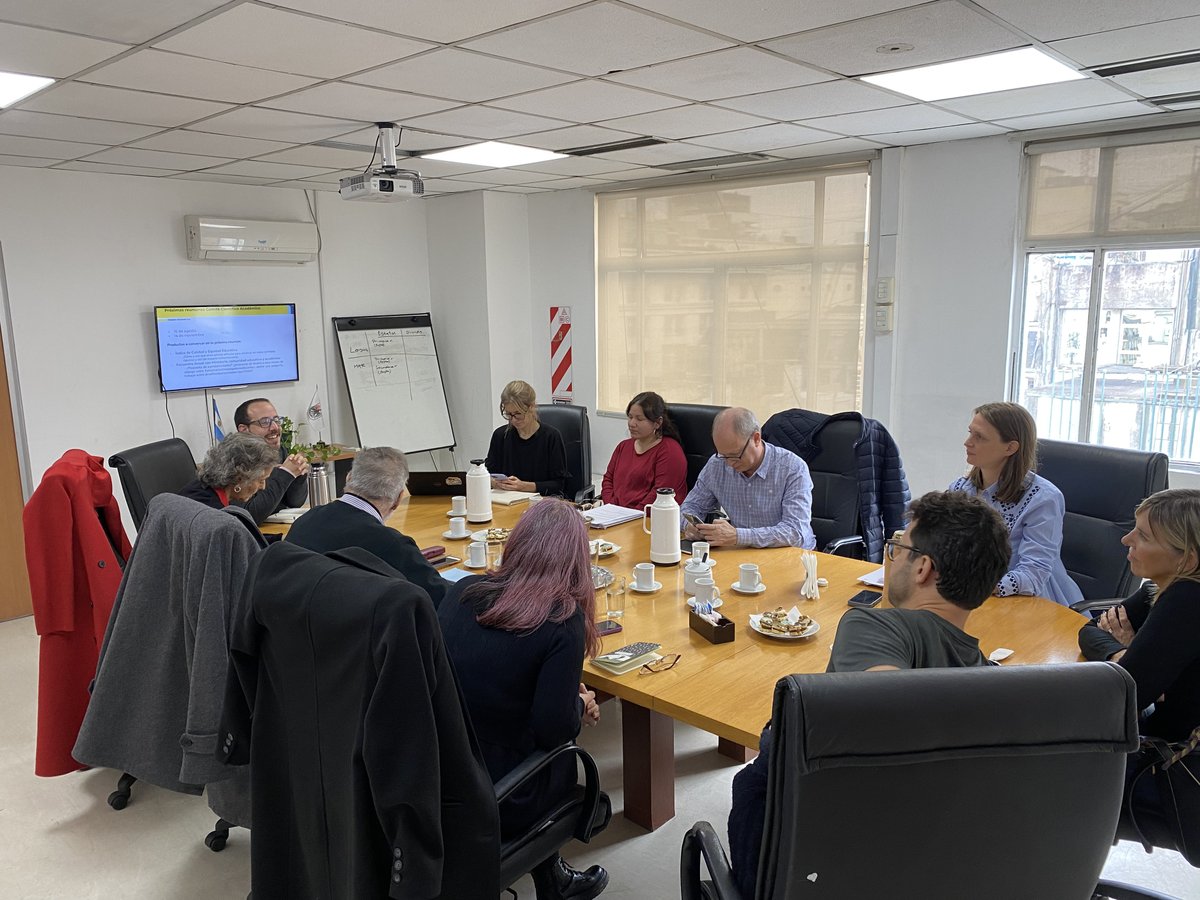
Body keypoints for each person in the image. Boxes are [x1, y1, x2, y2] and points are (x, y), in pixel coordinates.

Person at [728, 490, 1012, 897]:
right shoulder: (990, 675)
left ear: (923, 569)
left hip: (825, 854)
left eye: (898, 547)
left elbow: (890, 714)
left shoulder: (872, 627)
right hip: (922, 861)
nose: (890, 557)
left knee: (755, 776)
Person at [437, 499, 607, 900]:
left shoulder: (463, 591)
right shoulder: (561, 622)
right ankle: (554, 876)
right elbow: (553, 732)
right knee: (566, 763)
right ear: (576, 559)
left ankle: (553, 878)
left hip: (440, 765)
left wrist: (565, 697)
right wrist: (579, 706)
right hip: (505, 792)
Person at [1079, 489, 1200, 855]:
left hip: (1178, 770)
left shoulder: (1187, 600)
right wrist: (1123, 650)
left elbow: (1124, 695)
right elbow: (1090, 628)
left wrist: (1132, 665)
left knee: (1044, 770)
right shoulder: (1161, 589)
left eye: (1143, 536)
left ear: (1186, 558)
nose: (1126, 539)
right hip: (1167, 740)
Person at [947, 401, 1082, 606]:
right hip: (972, 597)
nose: (968, 442)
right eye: (970, 432)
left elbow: (1034, 574)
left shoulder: (1043, 499)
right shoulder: (960, 488)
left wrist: (975, 586)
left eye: (979, 437)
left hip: (1028, 603)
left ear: (1010, 447)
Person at [284, 446, 446, 607]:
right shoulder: (392, 544)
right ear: (398, 499)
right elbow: (445, 600)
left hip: (294, 624)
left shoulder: (305, 521)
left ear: (348, 478)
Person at [678, 406, 815, 549]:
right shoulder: (717, 464)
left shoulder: (792, 468)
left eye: (735, 455)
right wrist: (689, 526)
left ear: (756, 438)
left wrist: (738, 536)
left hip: (791, 556)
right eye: (724, 455)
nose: (730, 463)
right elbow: (689, 507)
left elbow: (795, 533)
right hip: (742, 553)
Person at [600, 391, 688, 509]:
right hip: (615, 514)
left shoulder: (670, 451)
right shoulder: (623, 446)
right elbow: (608, 480)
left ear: (657, 423)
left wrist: (631, 515)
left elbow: (660, 495)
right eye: (630, 417)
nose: (632, 424)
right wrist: (610, 506)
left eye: (639, 419)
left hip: (648, 518)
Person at [485, 380, 570, 496]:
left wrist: (523, 486)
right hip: (505, 500)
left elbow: (558, 485)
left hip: (540, 502)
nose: (513, 420)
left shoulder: (551, 437)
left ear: (532, 407)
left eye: (518, 414)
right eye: (509, 414)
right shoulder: (500, 436)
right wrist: (494, 483)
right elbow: (487, 474)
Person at [234, 397, 310, 522]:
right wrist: (285, 474)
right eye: (265, 422)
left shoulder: (279, 452)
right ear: (244, 430)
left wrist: (298, 476)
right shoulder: (234, 460)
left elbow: (294, 503)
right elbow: (250, 514)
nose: (274, 427)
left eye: (276, 420)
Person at [177, 433, 279, 513]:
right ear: (240, 478)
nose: (263, 487)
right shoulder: (214, 513)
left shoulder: (198, 487)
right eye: (261, 480)